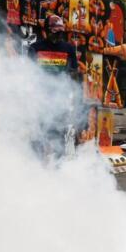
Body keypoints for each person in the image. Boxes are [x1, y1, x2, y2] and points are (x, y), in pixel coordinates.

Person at [28, 15, 82, 158]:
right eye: (55, 32)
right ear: (46, 30)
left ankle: (58, 163)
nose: (58, 36)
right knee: (39, 133)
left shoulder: (68, 49)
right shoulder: (35, 48)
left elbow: (74, 75)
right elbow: (28, 74)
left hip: (60, 99)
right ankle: (36, 163)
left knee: (58, 132)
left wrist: (75, 97)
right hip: (40, 99)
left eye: (60, 32)